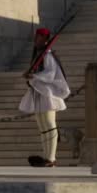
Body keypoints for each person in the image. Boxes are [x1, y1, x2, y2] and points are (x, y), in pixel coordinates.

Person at [19, 28, 70, 167]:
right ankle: (46, 156)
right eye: (36, 37)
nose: (36, 39)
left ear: (45, 39)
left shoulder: (48, 55)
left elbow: (50, 73)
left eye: (39, 37)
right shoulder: (38, 54)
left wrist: (33, 76)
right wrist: (30, 75)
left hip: (48, 92)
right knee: (42, 125)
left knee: (49, 124)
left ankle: (51, 158)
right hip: (38, 91)